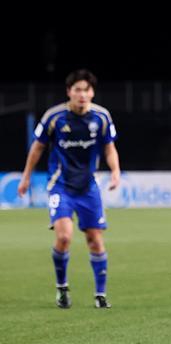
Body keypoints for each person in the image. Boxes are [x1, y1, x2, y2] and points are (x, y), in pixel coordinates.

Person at [18, 69, 121, 309]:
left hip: (88, 187)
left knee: (95, 240)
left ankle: (100, 295)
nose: (82, 94)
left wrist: (116, 171)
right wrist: (26, 177)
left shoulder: (102, 117)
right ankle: (62, 288)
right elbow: (37, 148)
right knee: (64, 237)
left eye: (86, 90)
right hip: (61, 186)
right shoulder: (54, 117)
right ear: (69, 92)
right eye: (77, 90)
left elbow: (109, 148)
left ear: (92, 92)